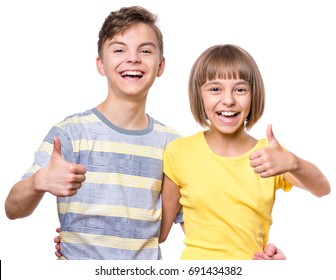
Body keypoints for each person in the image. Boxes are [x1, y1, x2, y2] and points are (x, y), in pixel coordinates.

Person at [5, 6, 285, 260]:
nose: (133, 59)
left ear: (160, 66)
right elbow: (13, 209)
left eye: (145, 50)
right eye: (119, 50)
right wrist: (38, 182)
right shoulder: (70, 133)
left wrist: (259, 256)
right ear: (100, 64)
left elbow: (205, 228)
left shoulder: (174, 146)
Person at [159, 44, 330, 260]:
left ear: (253, 94)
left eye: (240, 89)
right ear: (199, 95)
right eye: (215, 89)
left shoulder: (270, 156)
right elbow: (160, 232)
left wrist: (293, 162)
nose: (229, 100)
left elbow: (322, 188)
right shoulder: (179, 152)